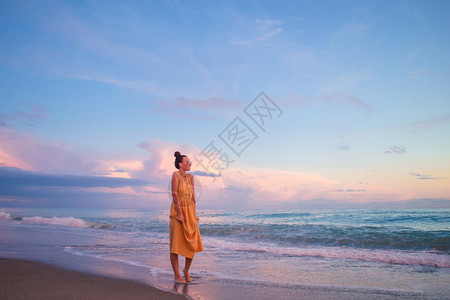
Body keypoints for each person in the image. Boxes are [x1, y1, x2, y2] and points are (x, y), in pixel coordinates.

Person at [169, 151, 203, 283]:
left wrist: (194, 214)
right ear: (180, 164)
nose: (190, 164)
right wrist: (180, 213)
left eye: (190, 162)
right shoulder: (175, 175)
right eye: (187, 162)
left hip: (190, 212)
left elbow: (193, 197)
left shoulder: (191, 177)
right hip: (178, 212)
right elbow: (175, 195)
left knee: (192, 244)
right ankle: (177, 275)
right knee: (175, 245)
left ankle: (186, 270)